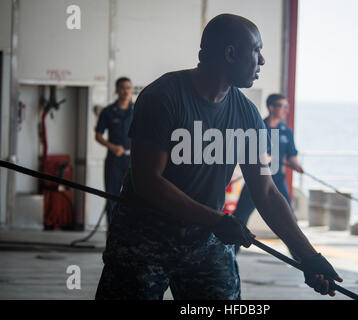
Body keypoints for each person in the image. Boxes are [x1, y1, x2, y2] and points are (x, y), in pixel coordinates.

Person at [95, 14, 342, 300]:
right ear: (230, 53)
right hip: (145, 237)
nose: (262, 60)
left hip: (205, 239)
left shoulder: (247, 114)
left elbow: (266, 193)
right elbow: (148, 181)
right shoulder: (163, 97)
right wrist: (216, 220)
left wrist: (308, 257)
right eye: (256, 51)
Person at [233, 93, 304, 257]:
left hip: (278, 181)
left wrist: (296, 165)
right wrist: (262, 156)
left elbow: (291, 155)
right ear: (271, 107)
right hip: (257, 179)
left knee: (289, 219)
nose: (286, 110)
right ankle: (230, 253)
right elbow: (246, 152)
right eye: (282, 106)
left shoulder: (286, 131)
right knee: (240, 216)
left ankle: (300, 258)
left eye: (287, 106)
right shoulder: (259, 126)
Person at [95, 77, 134, 225]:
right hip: (114, 160)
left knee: (133, 199)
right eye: (123, 88)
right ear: (117, 90)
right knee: (112, 198)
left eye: (129, 88)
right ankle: (111, 236)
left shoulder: (136, 110)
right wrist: (112, 147)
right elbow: (98, 135)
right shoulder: (108, 111)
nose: (126, 91)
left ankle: (129, 235)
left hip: (132, 161)